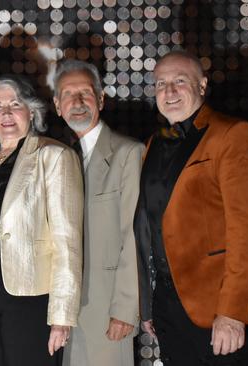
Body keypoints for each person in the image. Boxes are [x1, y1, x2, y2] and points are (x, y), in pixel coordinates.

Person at [134, 50, 248, 365]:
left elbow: (247, 231)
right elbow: (148, 229)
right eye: (160, 84)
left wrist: (233, 312)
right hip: (169, 308)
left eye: (179, 82)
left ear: (202, 86)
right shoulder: (152, 144)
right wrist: (151, 305)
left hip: (220, 308)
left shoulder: (232, 135)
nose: (168, 92)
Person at [0, 76, 84, 366]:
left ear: (31, 112)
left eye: (15, 104)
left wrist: (61, 317)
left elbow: (68, 241)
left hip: (30, 299)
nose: (6, 113)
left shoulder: (55, 156)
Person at [51, 60, 143, 366]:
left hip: (105, 309)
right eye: (68, 94)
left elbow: (132, 237)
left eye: (85, 93)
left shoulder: (128, 153)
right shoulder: (53, 158)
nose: (77, 103)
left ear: (101, 100)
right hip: (58, 312)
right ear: (57, 105)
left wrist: (125, 309)